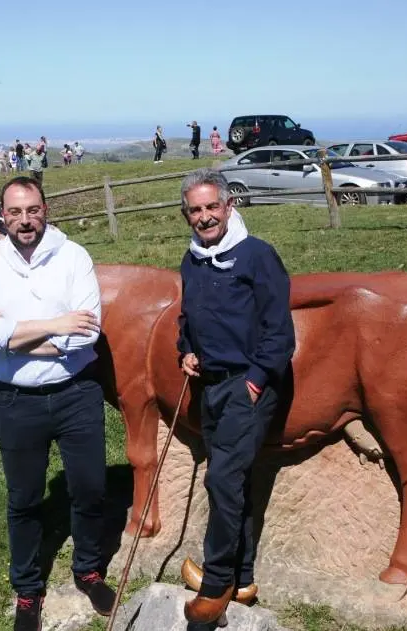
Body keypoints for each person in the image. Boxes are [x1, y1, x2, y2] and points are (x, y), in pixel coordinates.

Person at [0, 176, 115, 631]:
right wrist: (55, 324)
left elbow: (85, 334)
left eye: (32, 210)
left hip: (76, 393)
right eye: (15, 212)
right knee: (24, 499)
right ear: (1, 216)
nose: (25, 220)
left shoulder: (74, 258)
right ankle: (28, 590)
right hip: (15, 400)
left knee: (90, 487)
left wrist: (9, 335)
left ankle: (88, 569)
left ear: (45, 210)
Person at [175, 168, 296, 625]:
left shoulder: (257, 256)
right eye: (196, 210)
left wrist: (255, 380)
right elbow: (189, 319)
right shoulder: (192, 260)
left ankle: (216, 584)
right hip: (209, 384)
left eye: (212, 207)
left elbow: (279, 332)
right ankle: (242, 577)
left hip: (247, 386)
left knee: (222, 480)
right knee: (232, 480)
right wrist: (185, 351)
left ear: (229, 206)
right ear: (186, 215)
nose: (205, 217)